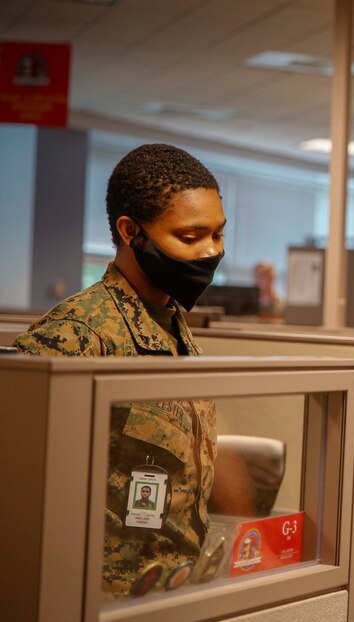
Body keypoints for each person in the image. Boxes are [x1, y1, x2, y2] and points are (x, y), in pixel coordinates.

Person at [16, 143, 225, 597]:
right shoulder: (75, 337)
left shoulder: (176, 331)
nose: (210, 252)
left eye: (218, 235)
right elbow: (22, 492)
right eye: (191, 238)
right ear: (131, 232)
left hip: (174, 591)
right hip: (95, 601)